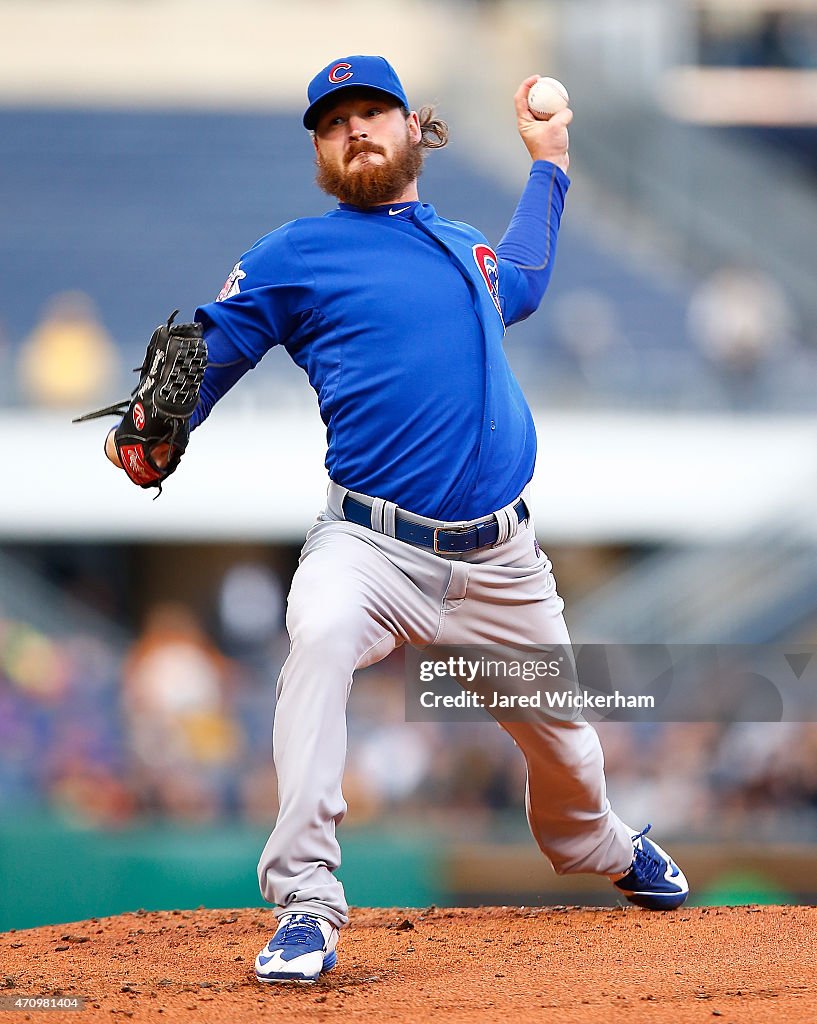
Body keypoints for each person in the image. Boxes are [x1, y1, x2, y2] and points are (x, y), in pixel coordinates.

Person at [105, 54, 689, 984]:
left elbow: (525, 281)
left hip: (501, 562)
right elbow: (213, 348)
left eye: (372, 111)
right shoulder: (297, 252)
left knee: (569, 751)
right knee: (321, 635)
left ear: (413, 128)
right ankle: (306, 900)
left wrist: (550, 159)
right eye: (334, 122)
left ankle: (605, 849)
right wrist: (159, 422)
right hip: (369, 546)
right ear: (321, 151)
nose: (355, 129)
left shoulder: (458, 244)